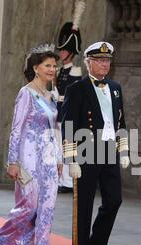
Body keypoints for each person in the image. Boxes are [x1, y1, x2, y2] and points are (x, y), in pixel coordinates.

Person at [0, 44, 62, 245]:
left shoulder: (51, 95)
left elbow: (55, 129)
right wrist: (13, 161)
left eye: (54, 65)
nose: (52, 69)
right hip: (28, 158)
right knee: (28, 206)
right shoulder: (26, 93)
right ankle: (1, 242)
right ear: (36, 68)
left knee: (47, 208)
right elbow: (16, 129)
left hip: (49, 159)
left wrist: (59, 158)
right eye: (47, 65)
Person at [62, 42, 130, 245]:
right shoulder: (77, 89)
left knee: (114, 200)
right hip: (86, 151)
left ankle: (97, 243)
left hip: (109, 150)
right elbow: (68, 125)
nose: (104, 64)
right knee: (84, 203)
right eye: (99, 60)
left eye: (107, 60)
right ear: (88, 62)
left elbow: (120, 121)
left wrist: (124, 149)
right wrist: (71, 158)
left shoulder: (115, 87)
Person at [55, 0, 85, 194]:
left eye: (65, 50)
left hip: (67, 113)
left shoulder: (75, 70)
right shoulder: (59, 70)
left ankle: (68, 181)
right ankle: (60, 180)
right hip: (57, 113)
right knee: (58, 147)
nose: (61, 52)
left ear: (71, 52)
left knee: (68, 147)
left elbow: (71, 95)